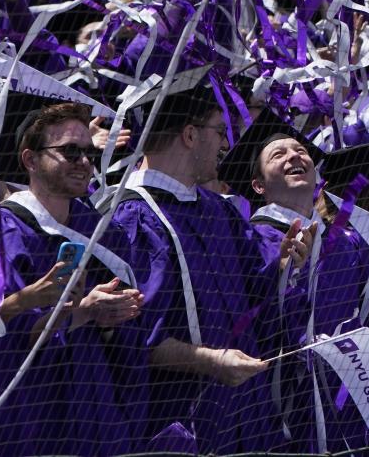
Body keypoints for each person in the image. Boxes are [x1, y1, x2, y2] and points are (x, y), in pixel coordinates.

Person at [109, 70, 314, 453]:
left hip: (245, 414)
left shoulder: (219, 212)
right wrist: (214, 361)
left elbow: (258, 291)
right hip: (182, 421)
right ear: (190, 135)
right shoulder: (136, 219)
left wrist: (285, 264)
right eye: (220, 132)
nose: (225, 145)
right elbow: (140, 342)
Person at [0, 99, 147, 457]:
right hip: (32, 415)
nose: (85, 162)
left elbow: (128, 337)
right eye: (70, 152)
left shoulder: (102, 230)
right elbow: (0, 336)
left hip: (98, 413)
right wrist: (85, 311)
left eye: (89, 153)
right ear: (30, 159)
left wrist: (111, 316)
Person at [218, 108, 369, 453]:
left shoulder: (349, 243)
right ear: (259, 185)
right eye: (279, 154)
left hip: (347, 395)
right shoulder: (251, 240)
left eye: (301, 151)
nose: (294, 156)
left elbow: (363, 317)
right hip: (280, 404)